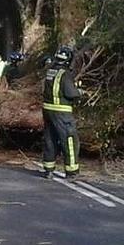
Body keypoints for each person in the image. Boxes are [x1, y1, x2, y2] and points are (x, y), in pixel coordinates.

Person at [41, 46, 83, 181]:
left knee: (50, 139)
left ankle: (48, 169)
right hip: (62, 112)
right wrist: (80, 92)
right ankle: (72, 172)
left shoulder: (50, 71)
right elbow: (71, 93)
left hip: (48, 110)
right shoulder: (64, 73)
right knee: (69, 140)